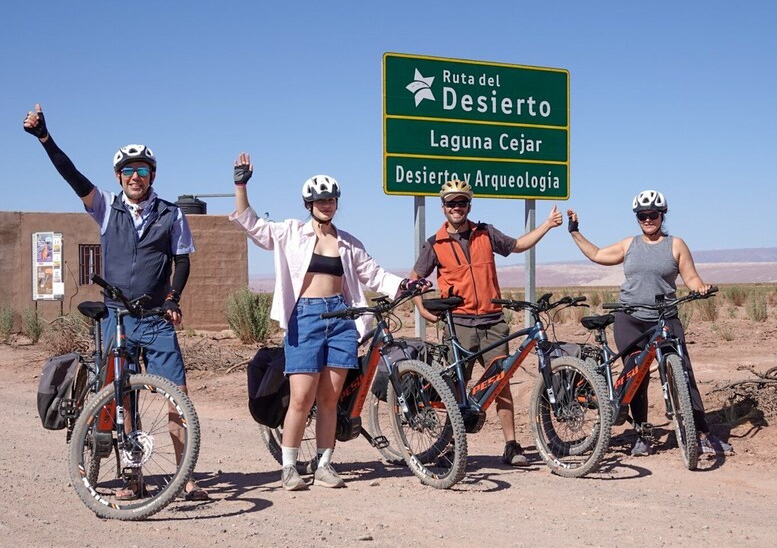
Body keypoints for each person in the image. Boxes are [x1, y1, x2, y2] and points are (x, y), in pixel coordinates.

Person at [23, 104, 209, 500]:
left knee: (178, 395)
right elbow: (73, 177)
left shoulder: (171, 214)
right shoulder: (107, 208)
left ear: (152, 175)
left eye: (142, 170)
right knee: (123, 398)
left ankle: (185, 476)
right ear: (118, 177)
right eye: (128, 170)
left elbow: (181, 260)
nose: (135, 176)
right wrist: (45, 138)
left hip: (156, 317)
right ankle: (134, 478)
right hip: (116, 316)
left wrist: (173, 298)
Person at [229, 152, 426, 491]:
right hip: (305, 317)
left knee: (330, 399)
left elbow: (373, 274)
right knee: (302, 397)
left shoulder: (348, 242)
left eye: (331, 199)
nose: (326, 204)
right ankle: (289, 467)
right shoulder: (290, 232)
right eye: (320, 200)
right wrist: (241, 185)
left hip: (342, 320)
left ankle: (323, 464)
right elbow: (253, 225)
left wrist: (404, 285)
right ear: (309, 204)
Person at [567, 189, 733, 457]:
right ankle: (642, 435)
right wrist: (574, 231)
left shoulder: (676, 244)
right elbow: (597, 254)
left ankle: (702, 434)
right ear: (637, 218)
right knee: (637, 376)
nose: (648, 220)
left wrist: (700, 287)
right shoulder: (629, 245)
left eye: (652, 214)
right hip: (630, 318)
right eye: (642, 215)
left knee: (684, 372)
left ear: (662, 215)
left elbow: (691, 277)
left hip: (665, 316)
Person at [410, 179, 563, 466]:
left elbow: (518, 245)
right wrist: (421, 308)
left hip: (493, 321)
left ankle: (511, 445)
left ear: (469, 205)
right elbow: (415, 279)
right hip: (460, 324)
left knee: (500, 383)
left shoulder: (486, 233)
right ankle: (450, 447)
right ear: (443, 208)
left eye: (462, 202)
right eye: (451, 203)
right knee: (456, 386)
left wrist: (547, 225)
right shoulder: (434, 244)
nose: (457, 208)